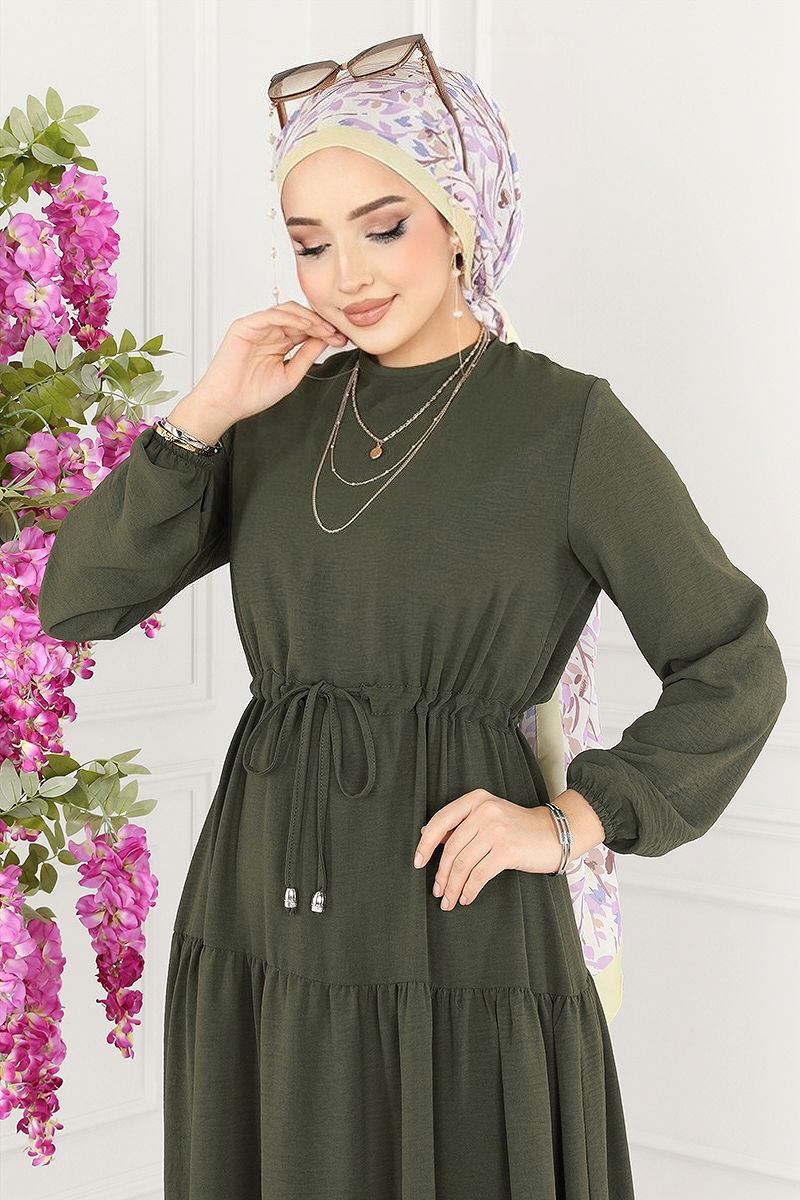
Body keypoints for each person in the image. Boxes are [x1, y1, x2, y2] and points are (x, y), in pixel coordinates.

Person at [37, 38, 787, 1200]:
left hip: (455, 924)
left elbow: (731, 662)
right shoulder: (276, 415)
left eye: (381, 227)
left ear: (460, 217)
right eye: (309, 243)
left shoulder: (565, 427)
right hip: (262, 903)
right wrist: (206, 409)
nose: (345, 274)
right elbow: (80, 598)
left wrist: (572, 820)